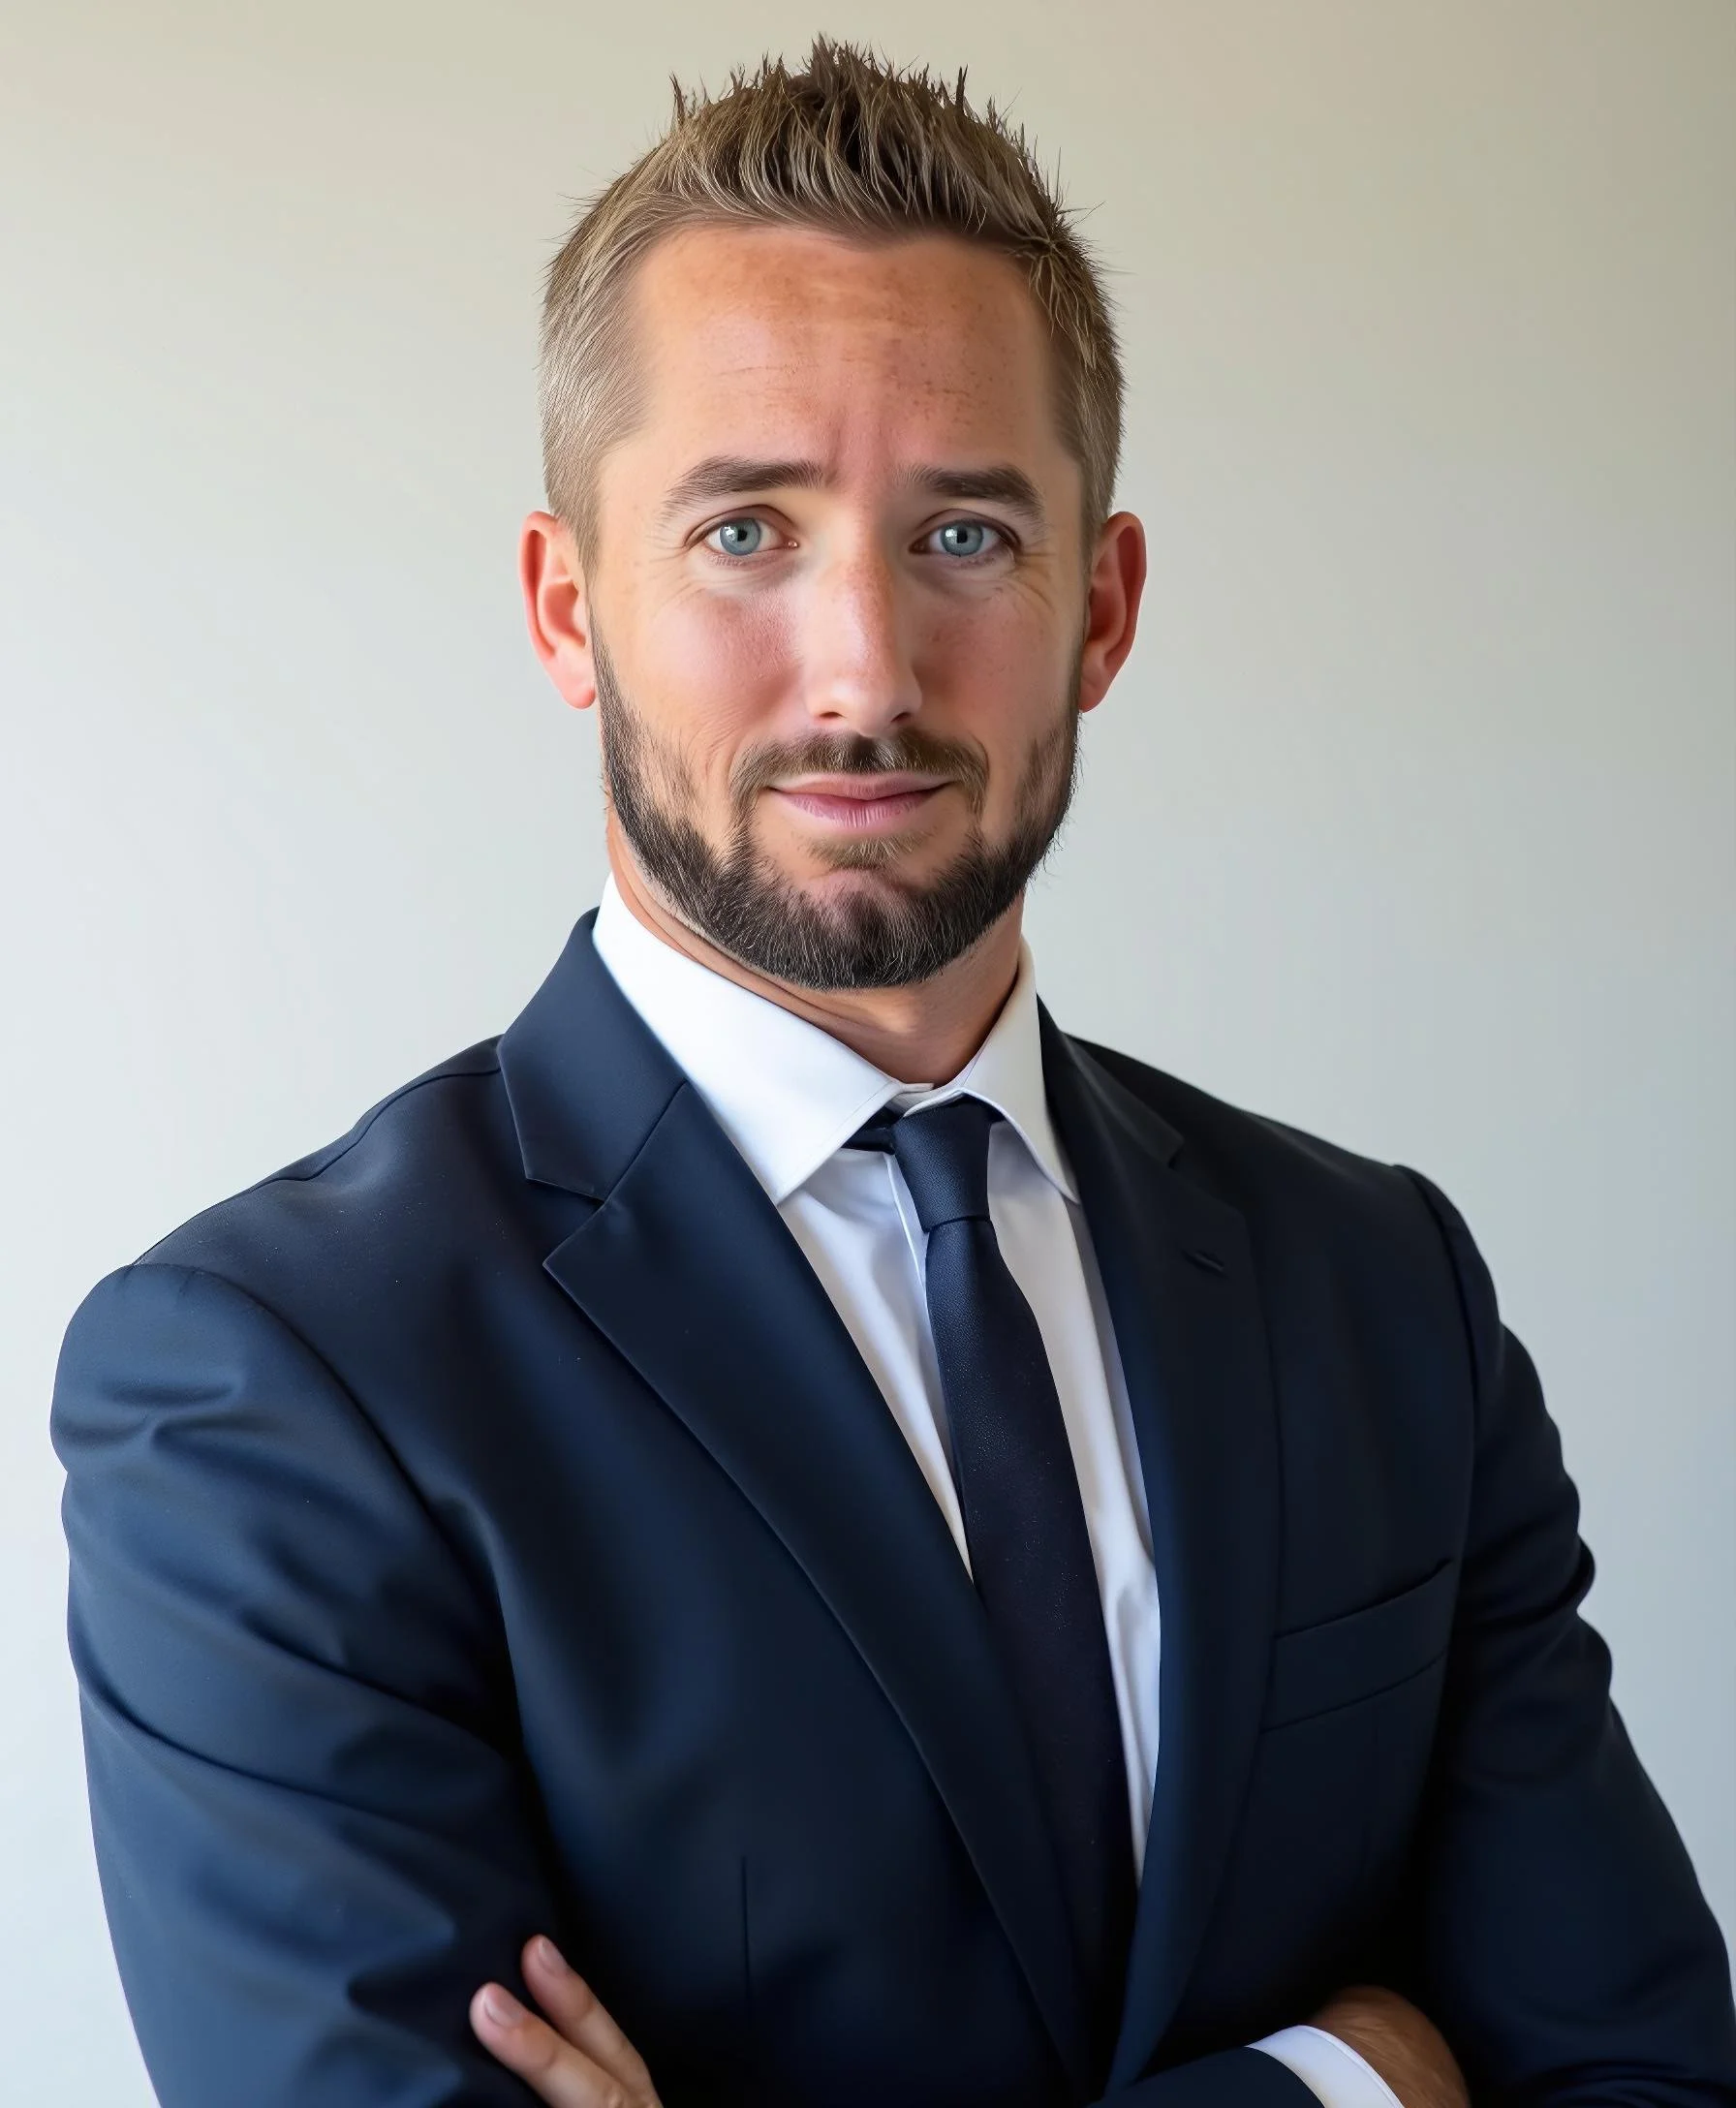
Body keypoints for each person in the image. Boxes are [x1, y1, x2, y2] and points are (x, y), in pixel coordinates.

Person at [51, 40, 1735, 2108]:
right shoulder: (270, 1384)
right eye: (746, 528)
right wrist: (1353, 2075)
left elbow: (1637, 2071)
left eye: (960, 537)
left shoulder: (1380, 1293)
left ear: (1097, 608)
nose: (861, 665)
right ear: (567, 607)